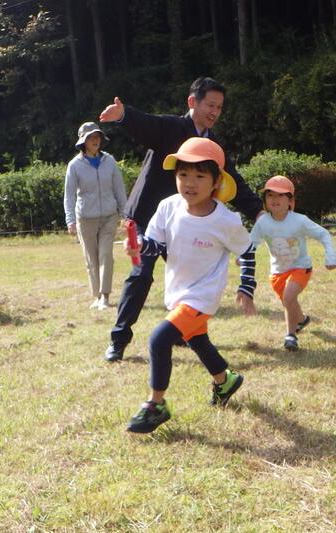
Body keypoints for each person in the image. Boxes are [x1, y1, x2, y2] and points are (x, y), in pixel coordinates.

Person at [98, 77, 263, 361]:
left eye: (219, 107)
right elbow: (147, 124)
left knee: (193, 279)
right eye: (210, 105)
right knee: (141, 276)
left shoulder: (212, 145)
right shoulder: (172, 127)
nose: (214, 112)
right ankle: (119, 339)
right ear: (192, 102)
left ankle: (186, 333)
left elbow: (232, 180)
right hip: (150, 218)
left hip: (185, 222)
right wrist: (124, 115)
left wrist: (258, 211)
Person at [122, 137, 257, 434]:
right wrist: (138, 247)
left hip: (202, 296)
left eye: (199, 176)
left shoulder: (225, 220)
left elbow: (247, 250)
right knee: (197, 340)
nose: (189, 183)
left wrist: (246, 287)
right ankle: (226, 381)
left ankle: (155, 405)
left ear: (216, 181)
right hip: (178, 291)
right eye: (183, 174)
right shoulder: (168, 206)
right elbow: (155, 245)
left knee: (159, 340)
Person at [249, 175, 336, 351]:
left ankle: (290, 336)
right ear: (265, 200)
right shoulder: (263, 222)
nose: (275, 199)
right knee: (289, 302)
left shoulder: (300, 220)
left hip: (300, 267)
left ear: (290, 201)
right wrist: (242, 256)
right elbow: (252, 242)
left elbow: (323, 234)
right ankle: (302, 320)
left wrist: (330, 257)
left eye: (280, 195)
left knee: (289, 297)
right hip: (277, 272)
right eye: (270, 195)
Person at [64, 122, 128, 310]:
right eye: (91, 137)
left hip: (109, 216)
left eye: (97, 137)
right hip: (85, 218)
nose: (95, 141)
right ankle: (96, 296)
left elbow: (119, 189)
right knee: (91, 258)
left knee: (106, 255)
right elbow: (69, 195)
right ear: (83, 141)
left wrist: (126, 215)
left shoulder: (110, 161)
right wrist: (70, 221)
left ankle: (105, 296)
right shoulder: (74, 165)